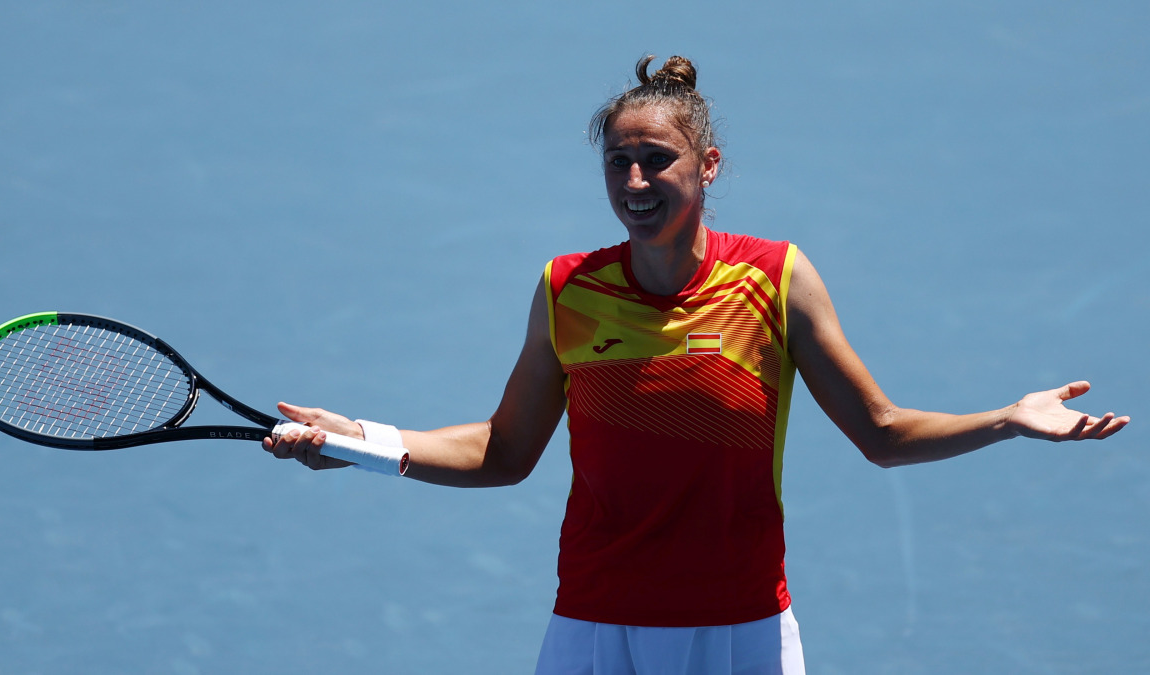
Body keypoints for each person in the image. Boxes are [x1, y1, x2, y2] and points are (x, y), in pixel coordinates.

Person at [262, 55, 1129, 675]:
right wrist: (360, 440)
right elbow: (503, 449)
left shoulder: (775, 278)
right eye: (617, 162)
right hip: (596, 626)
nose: (635, 178)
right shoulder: (567, 290)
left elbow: (884, 432)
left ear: (708, 166)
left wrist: (1010, 418)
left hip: (740, 627)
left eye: (657, 158)